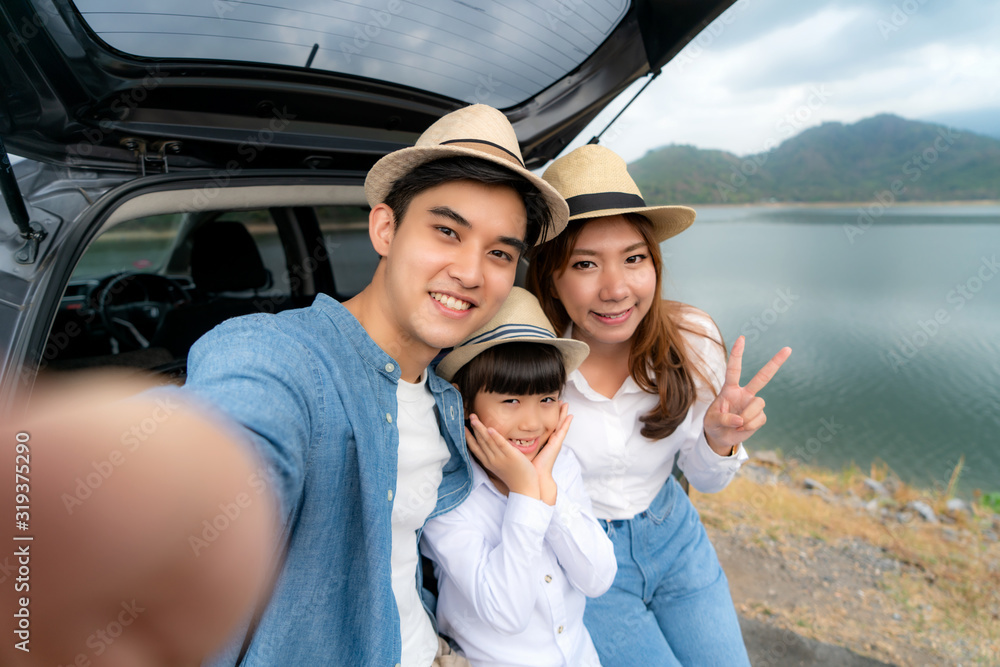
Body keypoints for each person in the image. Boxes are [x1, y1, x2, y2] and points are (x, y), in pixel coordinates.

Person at [0, 105, 569, 667]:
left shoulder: (449, 399)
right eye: (447, 231)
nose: (471, 272)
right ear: (385, 229)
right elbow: (233, 447)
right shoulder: (274, 353)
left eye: (499, 253)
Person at [526, 144, 792, 666]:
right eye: (585, 263)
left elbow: (707, 480)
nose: (616, 288)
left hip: (674, 534)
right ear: (553, 278)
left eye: (634, 258)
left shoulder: (691, 339)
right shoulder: (530, 365)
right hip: (583, 558)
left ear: (655, 263)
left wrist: (718, 440)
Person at [421, 287, 616, 667]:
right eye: (510, 400)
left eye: (546, 399)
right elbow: (507, 614)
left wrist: (546, 488)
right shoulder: (446, 494)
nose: (531, 423)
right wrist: (527, 493)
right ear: (463, 401)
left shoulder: (560, 465)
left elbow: (598, 579)